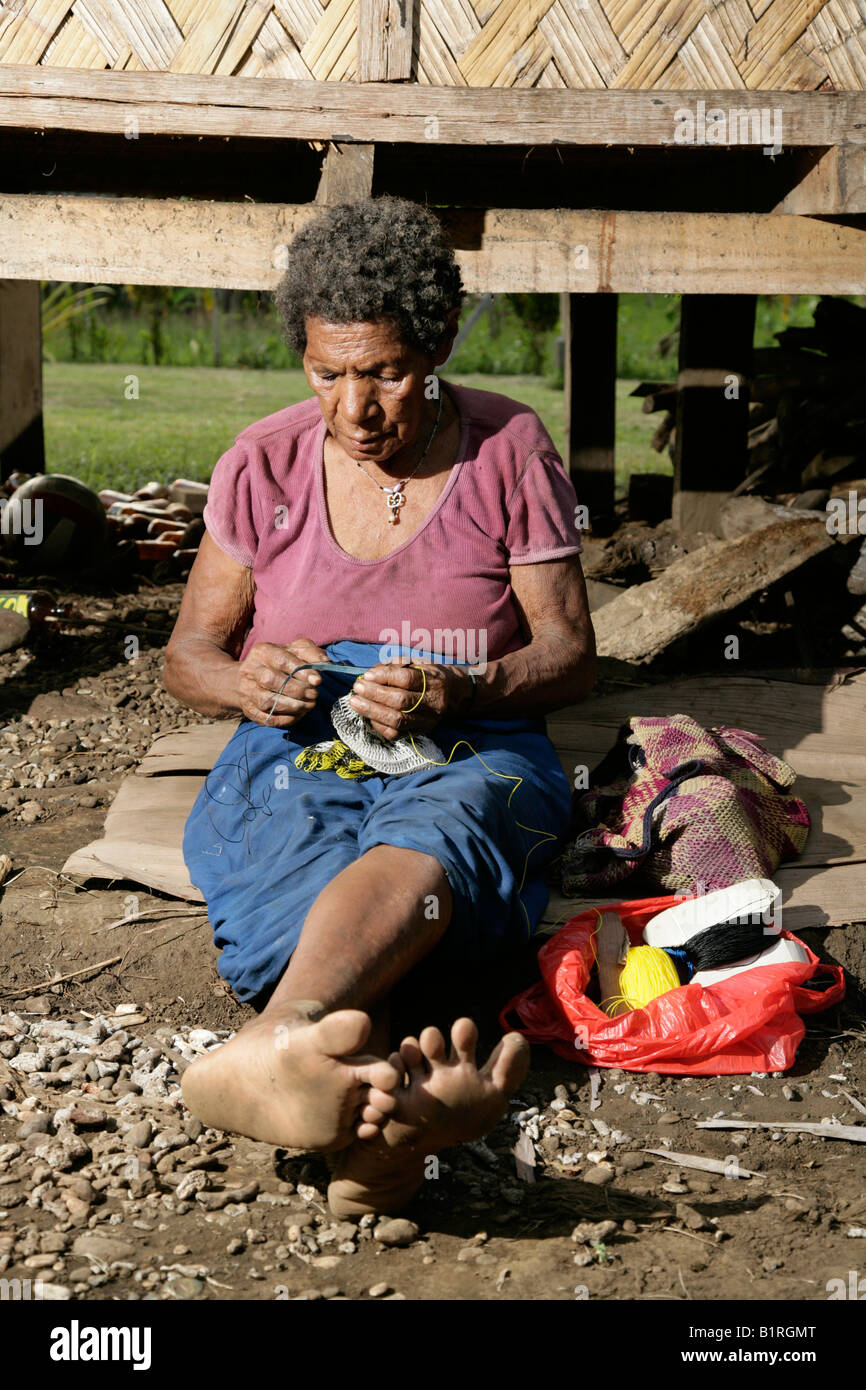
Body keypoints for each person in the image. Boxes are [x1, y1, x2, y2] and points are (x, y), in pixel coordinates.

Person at [163, 195, 597, 1216]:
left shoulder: (506, 447)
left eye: (386, 373)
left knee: (439, 825)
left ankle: (284, 1043)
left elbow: (571, 655)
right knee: (292, 857)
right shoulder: (262, 460)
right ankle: (384, 1139)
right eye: (327, 374)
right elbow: (187, 654)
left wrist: (465, 683)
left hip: (466, 738)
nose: (354, 407)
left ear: (439, 342)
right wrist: (245, 680)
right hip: (300, 741)